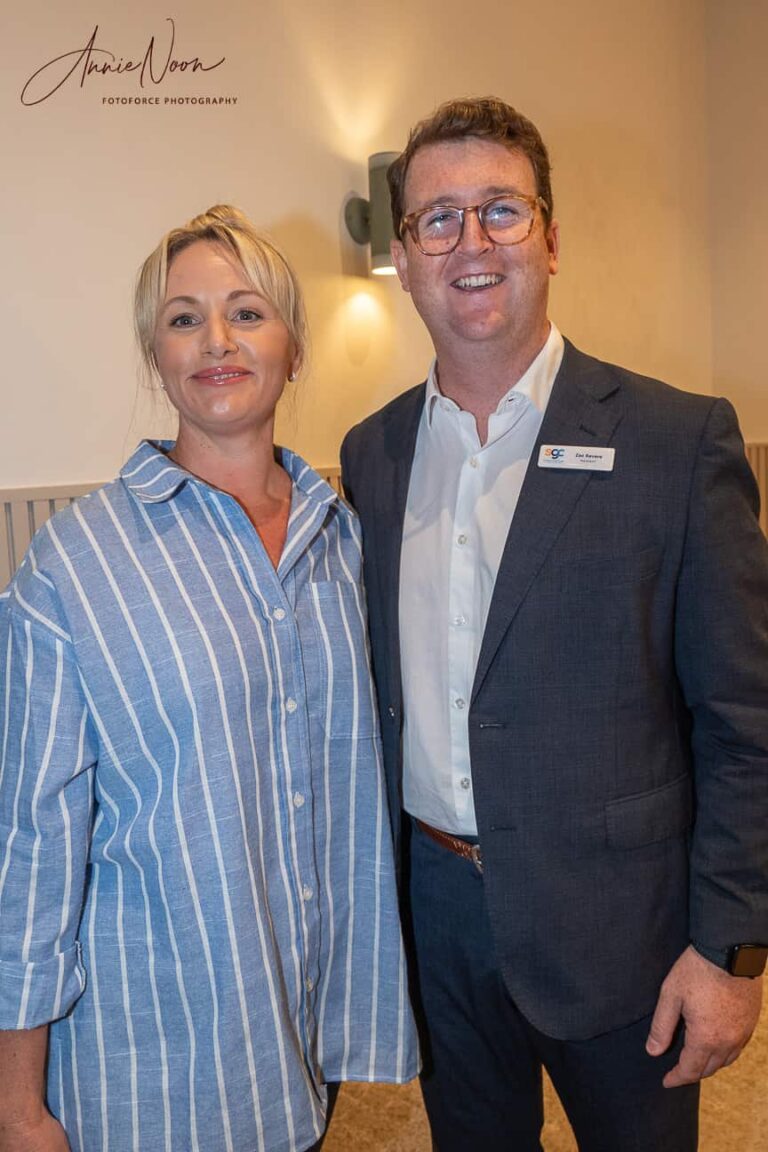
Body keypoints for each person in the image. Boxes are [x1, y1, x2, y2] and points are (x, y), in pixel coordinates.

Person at [341, 97, 768, 1151]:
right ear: (407, 258)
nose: (471, 243)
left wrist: (731, 949)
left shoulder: (677, 441)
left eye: (502, 210)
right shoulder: (372, 454)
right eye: (438, 220)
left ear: (551, 237)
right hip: (437, 919)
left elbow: (746, 718)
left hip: (625, 930)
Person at [0, 204, 417, 1152]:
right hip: (152, 1069)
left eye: (247, 312)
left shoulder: (345, 542)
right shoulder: (76, 567)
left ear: (294, 348)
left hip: (301, 1046)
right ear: (157, 357)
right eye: (184, 318)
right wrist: (17, 1108)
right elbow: (27, 848)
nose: (217, 340)